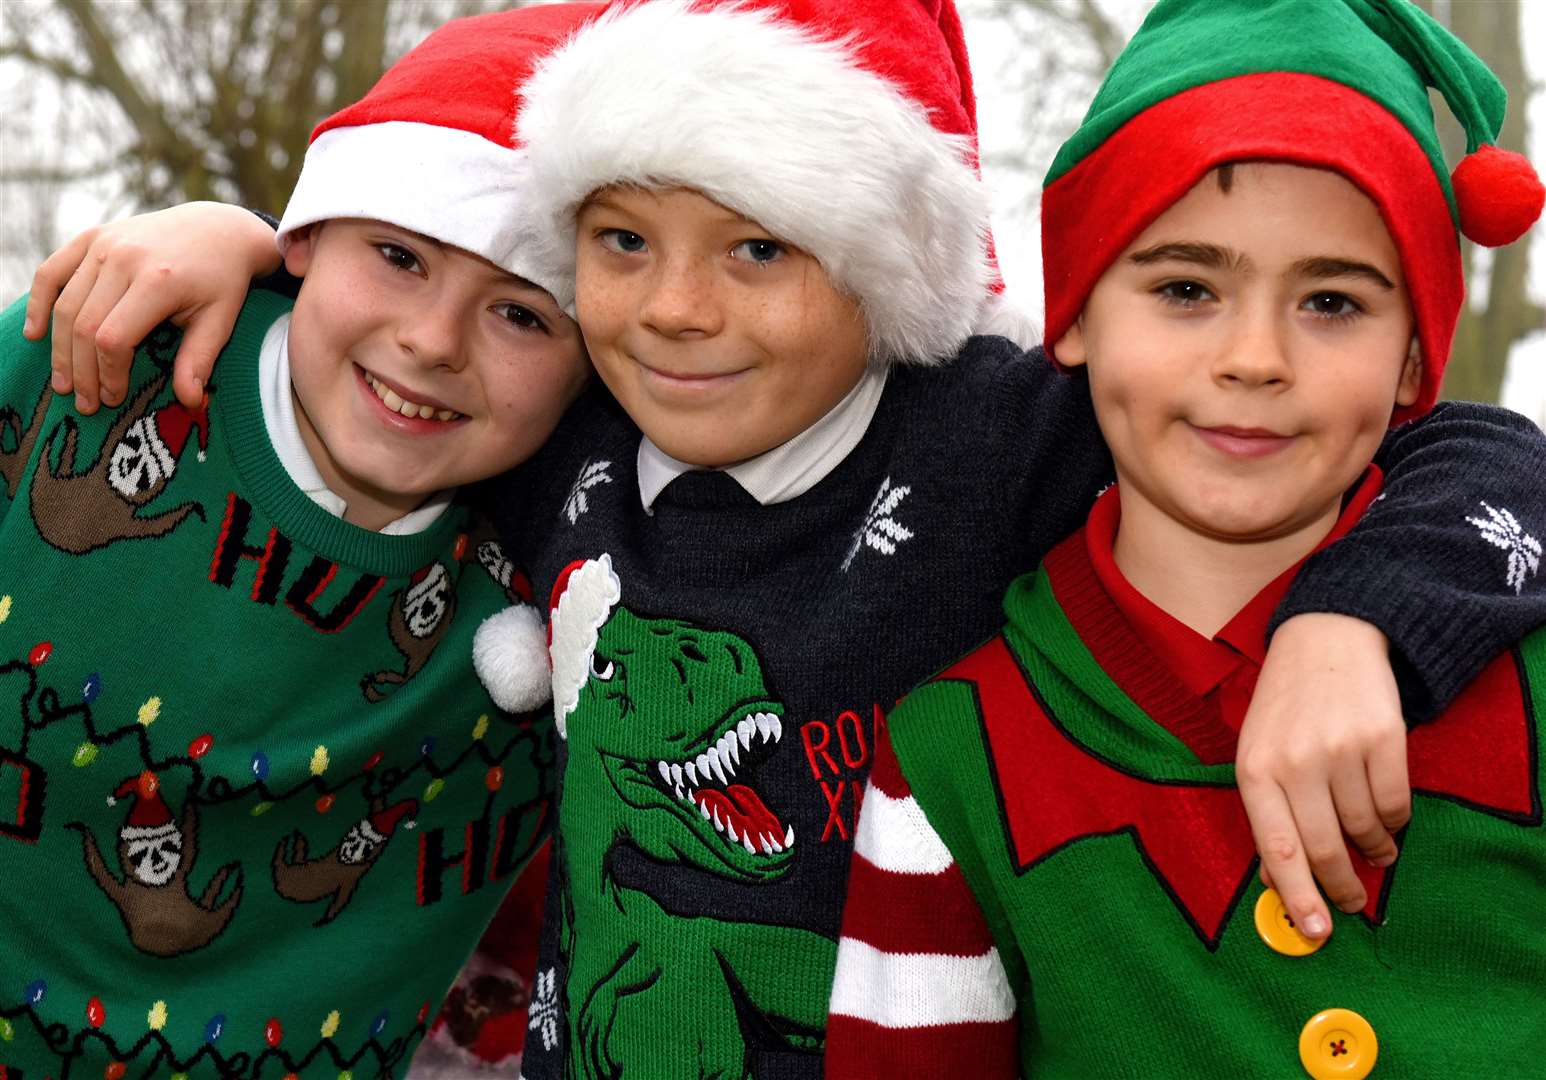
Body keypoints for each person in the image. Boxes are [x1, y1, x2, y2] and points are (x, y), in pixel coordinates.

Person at [21, 2, 1546, 1077]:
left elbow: (1464, 455)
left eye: (759, 247)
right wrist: (241, 239)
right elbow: (413, 351)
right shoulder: (570, 431)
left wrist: (1360, 618)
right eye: (622, 246)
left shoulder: (985, 432)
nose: (678, 309)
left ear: (882, 274)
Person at [825, 1, 1546, 1076]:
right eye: (1183, 288)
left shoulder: (1526, 680)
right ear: (1071, 318)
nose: (1254, 358)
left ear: (1412, 360)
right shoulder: (951, 756)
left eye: (1333, 303)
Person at [0, 6, 599, 1077]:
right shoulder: (84, 363)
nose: (430, 342)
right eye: (397, 255)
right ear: (308, 237)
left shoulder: (581, 572)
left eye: (522, 314)